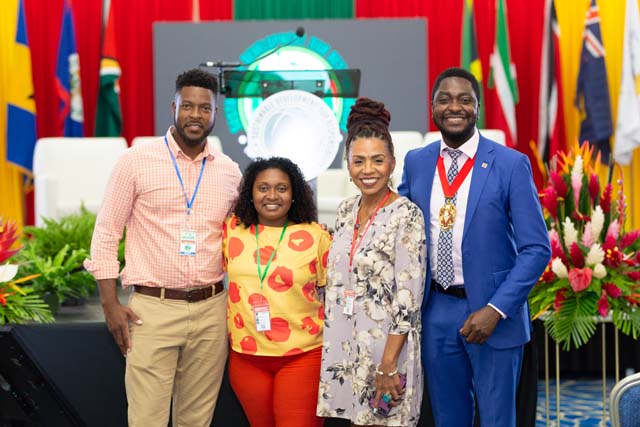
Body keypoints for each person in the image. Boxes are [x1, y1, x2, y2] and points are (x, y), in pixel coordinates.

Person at [84, 68, 241, 427]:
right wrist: (110, 305)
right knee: (146, 420)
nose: (196, 115)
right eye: (188, 106)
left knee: (196, 421)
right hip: (152, 309)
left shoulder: (229, 172)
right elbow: (106, 233)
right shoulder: (136, 161)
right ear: (174, 107)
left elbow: (242, 238)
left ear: (215, 113)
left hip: (211, 310)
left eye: (205, 108)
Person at [398, 67, 551, 427]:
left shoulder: (511, 164)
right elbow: (400, 230)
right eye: (445, 99)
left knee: (498, 419)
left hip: (493, 313)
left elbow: (536, 248)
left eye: (464, 99)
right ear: (432, 107)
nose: (455, 107)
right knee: (447, 419)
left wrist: (496, 310)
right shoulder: (416, 162)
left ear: (478, 107)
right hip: (436, 311)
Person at [317, 97, 426, 427]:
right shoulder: (345, 211)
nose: (368, 170)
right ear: (347, 165)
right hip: (346, 348)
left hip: (385, 352)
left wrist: (388, 365)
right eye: (359, 161)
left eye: (377, 160)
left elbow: (408, 300)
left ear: (392, 163)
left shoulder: (406, 215)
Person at [223, 157, 331, 427]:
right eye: (263, 188)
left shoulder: (316, 236)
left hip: (302, 355)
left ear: (294, 194)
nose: (272, 196)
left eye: (281, 188)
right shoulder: (232, 230)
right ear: (250, 194)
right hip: (246, 358)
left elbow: (332, 295)